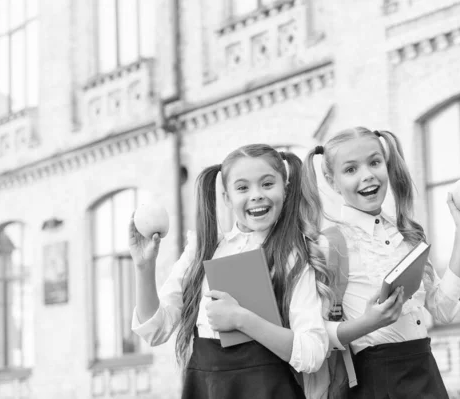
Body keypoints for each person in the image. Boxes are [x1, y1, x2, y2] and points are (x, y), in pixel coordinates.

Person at [130, 144, 333, 399]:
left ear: (286, 188)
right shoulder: (203, 249)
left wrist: (241, 319)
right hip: (207, 389)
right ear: (226, 198)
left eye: (267, 184)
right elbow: (155, 330)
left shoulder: (293, 256)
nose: (256, 195)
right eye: (242, 188)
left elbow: (313, 352)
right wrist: (143, 266)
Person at [301, 127, 460, 398]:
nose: (367, 175)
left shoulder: (408, 234)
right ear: (332, 181)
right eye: (351, 170)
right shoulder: (329, 244)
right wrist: (368, 323)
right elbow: (315, 335)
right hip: (375, 383)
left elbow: (444, 310)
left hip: (426, 373)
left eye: (374, 162)